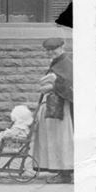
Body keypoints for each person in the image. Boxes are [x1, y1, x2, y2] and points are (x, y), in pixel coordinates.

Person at [31, 37, 74, 184]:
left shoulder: (66, 63)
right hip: (55, 106)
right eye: (48, 50)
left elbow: (70, 85)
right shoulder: (58, 62)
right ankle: (62, 171)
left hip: (63, 109)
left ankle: (66, 173)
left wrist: (53, 85)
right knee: (55, 139)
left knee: (62, 139)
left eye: (53, 49)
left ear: (62, 46)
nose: (51, 53)